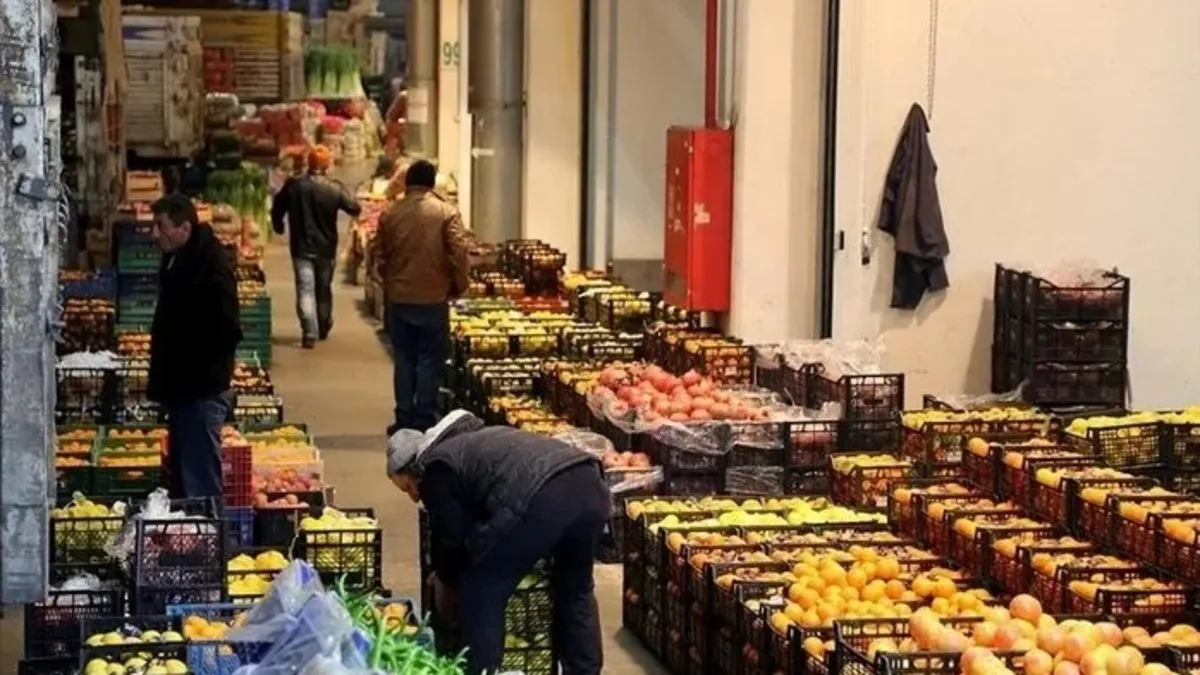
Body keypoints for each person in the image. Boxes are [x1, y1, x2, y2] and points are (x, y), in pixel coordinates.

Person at [386, 410, 608, 675]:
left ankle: (483, 670)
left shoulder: (437, 467)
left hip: (540, 497)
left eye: (408, 488)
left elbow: (451, 540)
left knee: (482, 587)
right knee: (576, 588)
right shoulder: (477, 441)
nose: (414, 497)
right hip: (589, 483)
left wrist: (447, 582)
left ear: (415, 469)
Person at [147, 194, 243, 499]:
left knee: (200, 481)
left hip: (199, 390)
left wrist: (195, 367)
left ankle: (207, 528)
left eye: (161, 226)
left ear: (185, 228)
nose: (154, 234)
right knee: (186, 476)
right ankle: (194, 527)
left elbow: (228, 329)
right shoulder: (178, 258)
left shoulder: (211, 268)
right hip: (181, 389)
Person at [372, 160, 470, 434]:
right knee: (429, 358)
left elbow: (379, 254)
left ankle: (403, 416)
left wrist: (389, 282)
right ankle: (425, 417)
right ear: (431, 183)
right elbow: (459, 251)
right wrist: (460, 285)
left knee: (404, 358)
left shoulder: (391, 213)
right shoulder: (446, 212)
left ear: (408, 182)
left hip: (399, 298)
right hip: (433, 298)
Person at [271, 145, 362, 348]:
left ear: (309, 162)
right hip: (326, 248)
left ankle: (309, 331)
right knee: (323, 287)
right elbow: (354, 208)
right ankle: (323, 322)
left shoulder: (295, 185)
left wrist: (278, 225)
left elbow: (278, 206)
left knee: (305, 288)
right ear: (327, 164)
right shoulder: (334, 187)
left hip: (301, 247)